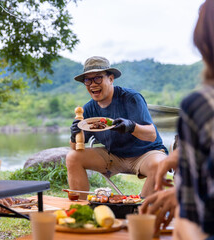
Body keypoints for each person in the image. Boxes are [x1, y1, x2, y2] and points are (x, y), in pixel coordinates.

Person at [141, 1, 214, 239]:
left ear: (203, 43)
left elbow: (200, 209)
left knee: (183, 223)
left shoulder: (201, 104)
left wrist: (183, 194)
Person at [67, 56, 168, 199]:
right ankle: (81, 209)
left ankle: (140, 209)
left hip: (145, 154)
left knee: (160, 164)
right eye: (87, 80)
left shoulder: (131, 98)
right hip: (113, 156)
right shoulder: (88, 109)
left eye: (98, 78)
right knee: (73, 157)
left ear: (111, 78)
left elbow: (151, 135)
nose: (92, 84)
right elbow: (75, 148)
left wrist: (131, 126)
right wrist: (74, 135)